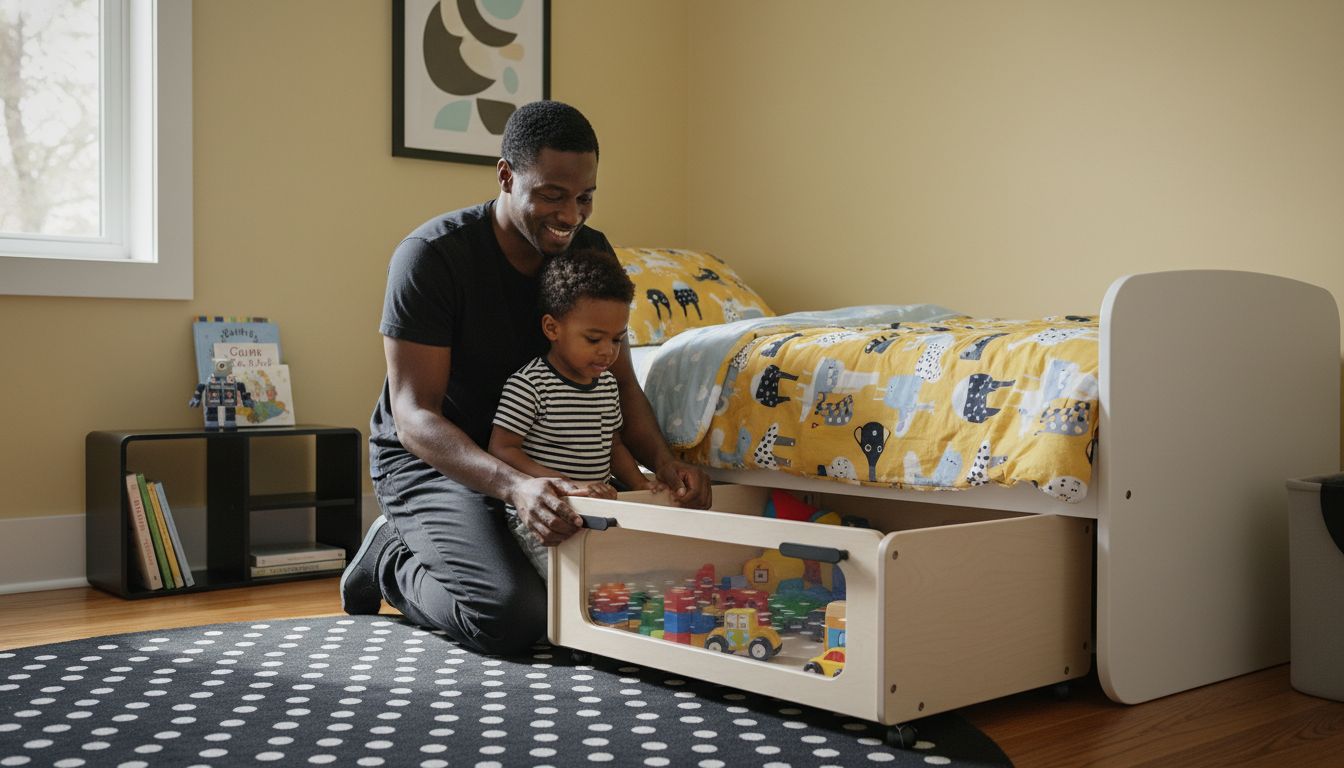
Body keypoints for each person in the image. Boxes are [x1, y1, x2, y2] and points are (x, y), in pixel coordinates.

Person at [341, 100, 712, 656]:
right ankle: (390, 557)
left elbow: (621, 382)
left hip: (535, 461)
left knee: (598, 596)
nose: (571, 215)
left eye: (584, 197)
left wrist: (662, 462)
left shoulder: (590, 250)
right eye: (552, 195)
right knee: (514, 617)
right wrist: (514, 488)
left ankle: (471, 539)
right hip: (433, 463)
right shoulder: (431, 257)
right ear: (506, 176)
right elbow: (414, 417)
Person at [488, 248, 663, 579]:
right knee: (569, 585)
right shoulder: (530, 384)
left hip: (595, 508)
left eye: (617, 339)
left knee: (621, 573)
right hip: (545, 510)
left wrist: (640, 483)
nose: (608, 351)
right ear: (553, 329)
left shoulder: (607, 384)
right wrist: (566, 484)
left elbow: (613, 446)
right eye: (594, 338)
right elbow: (502, 448)